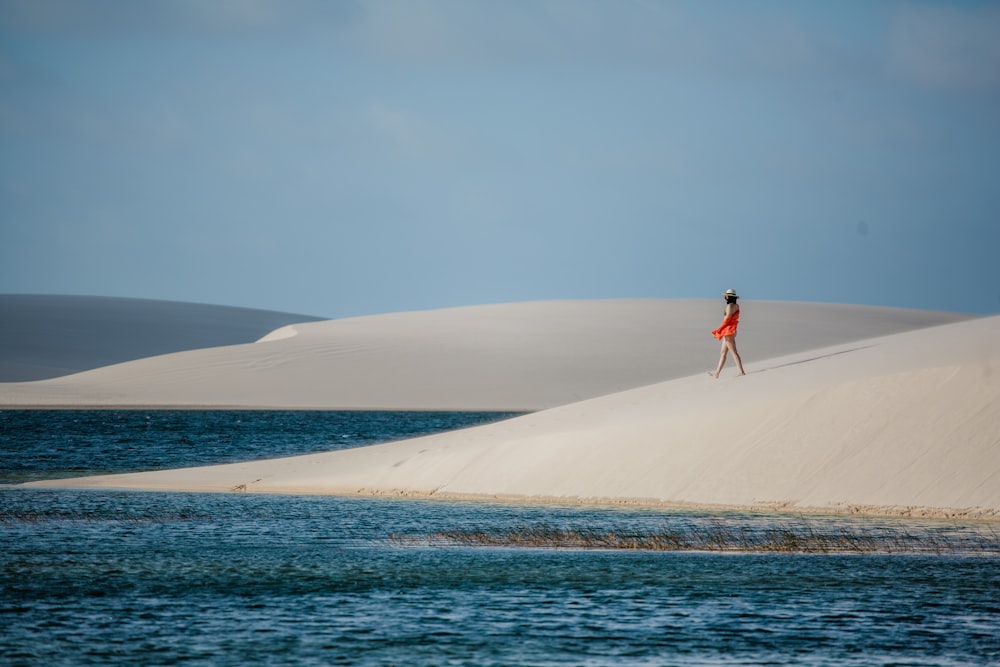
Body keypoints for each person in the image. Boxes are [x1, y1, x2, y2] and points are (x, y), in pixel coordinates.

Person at [710, 288, 745, 378]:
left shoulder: (730, 306)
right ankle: (717, 373)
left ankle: (741, 371)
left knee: (733, 352)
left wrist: (718, 330)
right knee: (723, 353)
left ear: (728, 297)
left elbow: (727, 320)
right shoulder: (736, 306)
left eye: (726, 297)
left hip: (729, 331)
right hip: (730, 330)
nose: (725, 298)